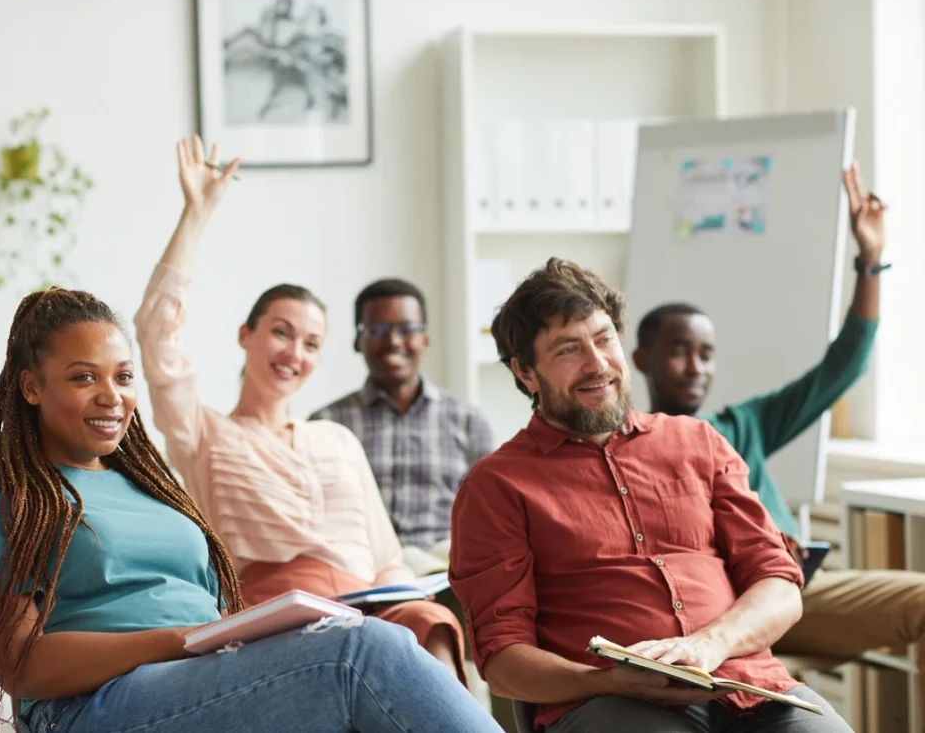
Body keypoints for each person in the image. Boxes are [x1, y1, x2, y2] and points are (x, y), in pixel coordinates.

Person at [0, 286, 501, 733]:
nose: (112, 396)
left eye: (123, 376)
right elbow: (20, 665)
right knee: (360, 654)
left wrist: (231, 634)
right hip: (91, 707)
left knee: (388, 641)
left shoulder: (155, 490)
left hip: (201, 674)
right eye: (84, 377)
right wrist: (178, 640)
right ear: (31, 388)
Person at [448, 257, 853, 732]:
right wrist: (605, 681)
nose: (597, 364)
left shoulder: (699, 442)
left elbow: (781, 588)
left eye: (604, 339)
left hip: (750, 689)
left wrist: (709, 644)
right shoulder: (496, 485)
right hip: (610, 706)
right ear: (526, 372)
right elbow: (501, 659)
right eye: (567, 350)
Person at [134, 136, 467, 683]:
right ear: (246, 335)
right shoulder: (205, 435)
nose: (295, 352)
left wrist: (405, 588)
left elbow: (385, 556)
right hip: (279, 618)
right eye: (282, 333)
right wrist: (197, 214)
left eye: (311, 343)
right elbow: (155, 332)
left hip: (372, 604)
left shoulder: (335, 438)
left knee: (430, 623)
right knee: (359, 646)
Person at [632, 163, 925, 666]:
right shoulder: (629, 451)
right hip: (729, 609)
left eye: (707, 352)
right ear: (642, 360)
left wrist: (870, 260)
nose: (696, 367)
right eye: (679, 350)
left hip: (805, 589)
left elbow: (843, 366)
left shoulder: (745, 425)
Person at [310, 278, 495, 560]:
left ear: (425, 339)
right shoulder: (326, 426)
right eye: (377, 329)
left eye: (407, 328)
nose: (393, 341)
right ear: (358, 341)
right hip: (361, 575)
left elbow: (490, 517)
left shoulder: (468, 422)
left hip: (447, 574)